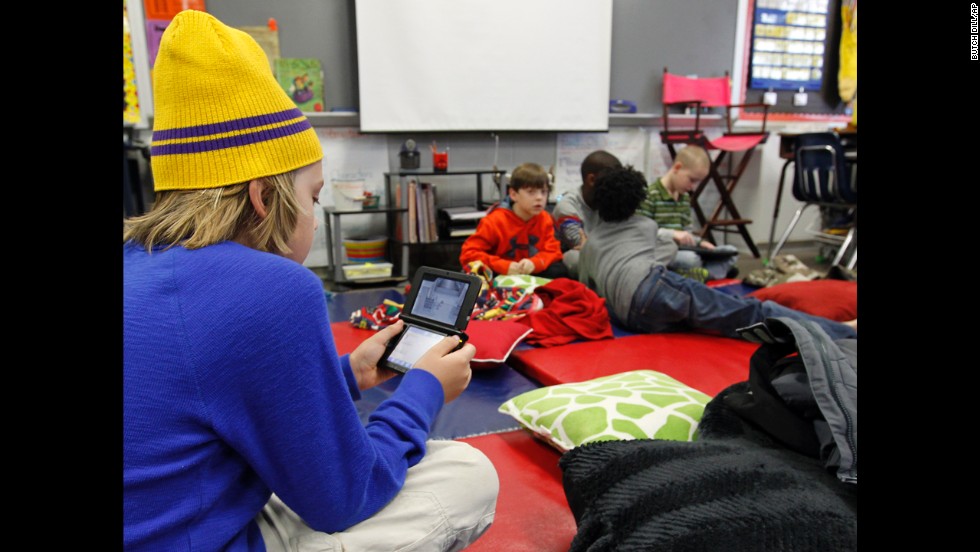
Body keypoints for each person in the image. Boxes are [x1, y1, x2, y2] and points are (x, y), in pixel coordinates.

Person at [123, 11, 498, 552]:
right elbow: (345, 497)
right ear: (261, 198)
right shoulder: (273, 287)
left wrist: (347, 375)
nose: (315, 213)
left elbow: (204, 400)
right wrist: (425, 389)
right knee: (467, 470)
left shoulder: (138, 259)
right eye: (315, 196)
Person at [578, 165, 857, 340]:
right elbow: (664, 252)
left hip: (634, 319)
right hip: (654, 289)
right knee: (751, 312)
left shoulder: (590, 244)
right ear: (637, 201)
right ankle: (846, 332)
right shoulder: (646, 225)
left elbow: (586, 287)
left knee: (714, 322)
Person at [637, 145, 740, 281]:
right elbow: (641, 233)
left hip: (684, 250)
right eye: (692, 180)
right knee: (691, 260)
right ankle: (709, 272)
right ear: (677, 167)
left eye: (697, 182)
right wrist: (673, 234)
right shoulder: (650, 195)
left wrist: (700, 243)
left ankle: (700, 274)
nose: (693, 187)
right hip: (662, 251)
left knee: (731, 251)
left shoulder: (684, 198)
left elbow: (687, 232)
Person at [459, 162, 568, 278]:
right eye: (531, 192)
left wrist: (535, 263)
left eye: (544, 192)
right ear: (513, 194)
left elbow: (554, 251)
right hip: (501, 272)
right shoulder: (494, 221)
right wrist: (503, 266)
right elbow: (468, 254)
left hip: (531, 270)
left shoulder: (545, 218)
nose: (539, 197)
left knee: (559, 270)